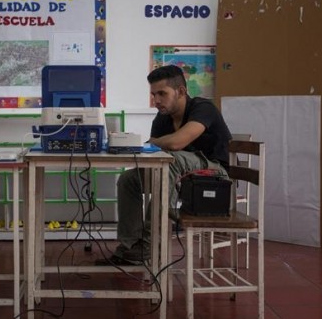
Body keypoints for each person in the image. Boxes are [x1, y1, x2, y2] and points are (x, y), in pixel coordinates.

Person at [99, 65, 232, 265]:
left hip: (214, 178)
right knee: (130, 180)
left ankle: (150, 244)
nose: (156, 100)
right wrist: (152, 143)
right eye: (154, 94)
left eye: (162, 93)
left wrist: (154, 142)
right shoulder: (162, 118)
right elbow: (158, 151)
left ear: (181, 91)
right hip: (182, 177)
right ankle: (130, 247)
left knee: (171, 162)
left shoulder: (203, 108)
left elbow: (175, 143)